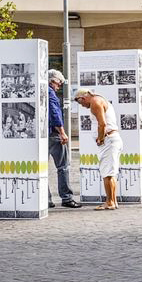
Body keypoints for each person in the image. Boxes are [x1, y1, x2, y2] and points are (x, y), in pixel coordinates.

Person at [75, 88, 122, 211]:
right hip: (112, 139)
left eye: (81, 103)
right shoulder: (100, 100)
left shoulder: (95, 102)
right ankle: (113, 201)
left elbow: (102, 124)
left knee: (107, 173)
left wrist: (100, 139)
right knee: (111, 173)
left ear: (83, 98)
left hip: (108, 140)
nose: (83, 106)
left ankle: (110, 202)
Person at [47, 70, 81, 209]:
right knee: (63, 167)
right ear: (52, 81)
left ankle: (46, 199)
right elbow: (55, 113)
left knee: (43, 168)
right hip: (54, 134)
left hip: (44, 134)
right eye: (58, 83)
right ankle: (66, 198)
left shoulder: (41, 90)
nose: (59, 87)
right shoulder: (50, 93)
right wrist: (62, 132)